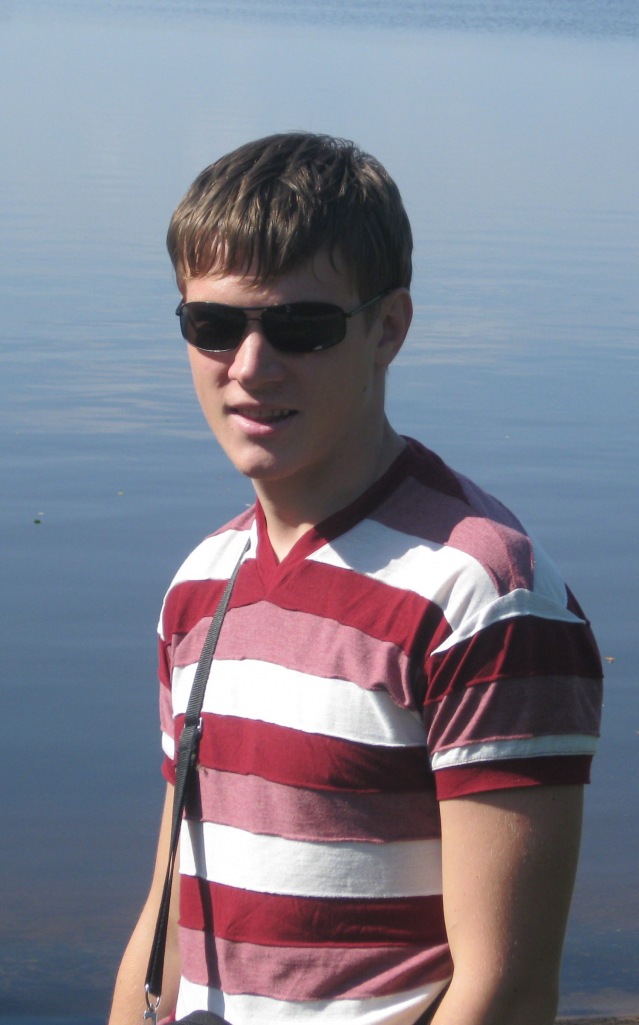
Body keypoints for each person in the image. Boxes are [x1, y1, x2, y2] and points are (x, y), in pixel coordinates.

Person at [109, 132, 603, 1025]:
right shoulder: (200, 585)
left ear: (387, 329)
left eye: (300, 328)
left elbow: (505, 988)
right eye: (214, 325)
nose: (250, 367)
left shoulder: (483, 596)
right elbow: (166, 927)